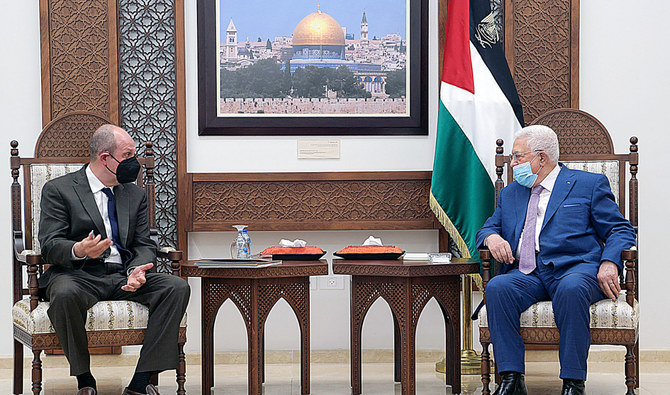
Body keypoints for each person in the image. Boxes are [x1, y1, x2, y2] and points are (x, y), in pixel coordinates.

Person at [476, 125, 636, 395]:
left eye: (518, 157)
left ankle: (573, 382)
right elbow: (487, 228)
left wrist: (609, 262)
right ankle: (511, 378)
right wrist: (492, 238)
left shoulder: (588, 184)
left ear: (541, 158)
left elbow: (620, 229)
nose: (512, 164)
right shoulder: (511, 193)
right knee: (497, 288)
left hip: (576, 270)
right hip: (529, 273)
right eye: (513, 158)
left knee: (571, 289)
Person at [38, 124, 190, 395]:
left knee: (176, 287)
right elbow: (50, 245)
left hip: (122, 275)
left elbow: (144, 243)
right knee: (63, 294)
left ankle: (140, 383)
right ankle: (85, 379)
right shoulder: (59, 190)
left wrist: (137, 270)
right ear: (105, 158)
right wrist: (80, 249)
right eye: (128, 154)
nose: (134, 162)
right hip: (79, 275)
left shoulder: (135, 194)